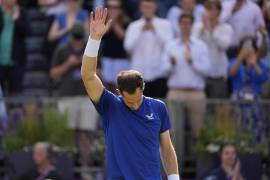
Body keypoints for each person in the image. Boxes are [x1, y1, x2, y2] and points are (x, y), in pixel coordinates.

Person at [81, 7, 180, 179]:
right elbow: (88, 75)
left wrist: (174, 178)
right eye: (129, 102)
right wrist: (94, 39)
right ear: (119, 92)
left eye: (137, 100)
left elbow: (167, 148)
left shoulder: (158, 108)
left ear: (143, 88)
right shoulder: (109, 105)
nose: (134, 105)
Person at [124, 0, 174, 98]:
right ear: (141, 8)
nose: (147, 10)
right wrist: (140, 32)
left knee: (158, 107)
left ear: (155, 8)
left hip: (159, 74)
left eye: (150, 7)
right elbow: (128, 47)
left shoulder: (165, 24)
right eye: (145, 7)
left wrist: (155, 30)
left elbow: (170, 46)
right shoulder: (134, 26)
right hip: (138, 75)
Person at [192, 0, 233, 98]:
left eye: (211, 9)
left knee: (219, 110)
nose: (208, 12)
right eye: (207, 9)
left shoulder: (226, 28)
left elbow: (224, 46)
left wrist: (211, 30)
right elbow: (193, 45)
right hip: (200, 75)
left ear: (219, 11)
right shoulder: (198, 26)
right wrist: (203, 28)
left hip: (218, 75)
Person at [101, 0, 130, 93]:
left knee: (120, 88)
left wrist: (114, 22)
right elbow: (100, 35)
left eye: (116, 8)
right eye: (110, 7)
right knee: (107, 87)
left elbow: (123, 37)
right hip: (107, 58)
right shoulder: (102, 22)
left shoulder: (127, 22)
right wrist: (109, 22)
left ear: (120, 9)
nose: (113, 10)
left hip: (121, 59)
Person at [0, 0, 28, 96]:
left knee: (16, 91)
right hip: (1, 59)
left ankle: (16, 110)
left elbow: (27, 31)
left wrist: (16, 18)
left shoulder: (21, 12)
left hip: (16, 59)